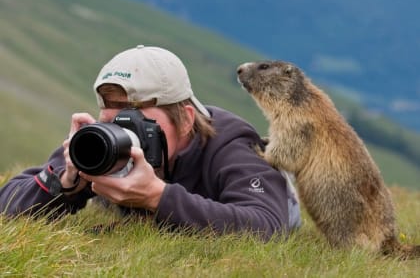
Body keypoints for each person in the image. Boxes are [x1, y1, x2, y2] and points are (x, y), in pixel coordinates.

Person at [0, 45, 301, 240]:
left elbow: (267, 226)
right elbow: (6, 205)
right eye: (112, 117)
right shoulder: (103, 140)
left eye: (137, 118)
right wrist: (64, 184)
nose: (122, 130)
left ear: (185, 119)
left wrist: (158, 198)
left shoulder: (230, 144)